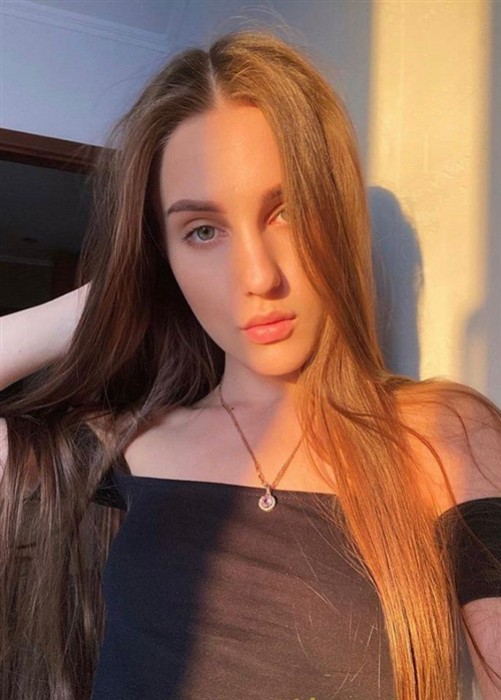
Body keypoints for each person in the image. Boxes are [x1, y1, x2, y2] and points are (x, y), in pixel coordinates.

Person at [0, 29, 500, 700]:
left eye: (286, 211)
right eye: (202, 231)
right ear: (163, 259)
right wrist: (102, 301)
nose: (258, 277)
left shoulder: (440, 435)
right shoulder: (125, 444)